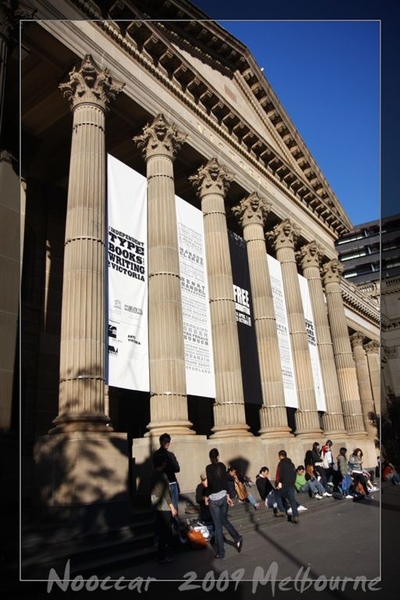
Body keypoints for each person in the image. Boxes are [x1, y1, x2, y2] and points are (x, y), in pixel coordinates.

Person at [204, 448, 243, 559]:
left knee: (218, 526)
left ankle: (221, 552)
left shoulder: (208, 468)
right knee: (224, 520)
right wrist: (228, 496)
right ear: (218, 456)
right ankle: (237, 537)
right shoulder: (222, 466)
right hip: (223, 496)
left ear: (210, 458)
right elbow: (225, 482)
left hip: (214, 499)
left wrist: (207, 496)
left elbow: (210, 484)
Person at [150, 453, 178, 564]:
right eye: (165, 462)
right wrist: (172, 506)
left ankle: (161, 554)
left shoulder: (152, 474)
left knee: (160, 529)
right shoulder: (162, 475)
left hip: (155, 504)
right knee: (165, 530)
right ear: (162, 463)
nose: (166, 463)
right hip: (163, 505)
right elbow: (166, 492)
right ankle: (164, 555)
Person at [154, 433, 181, 512]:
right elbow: (157, 469)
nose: (167, 443)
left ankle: (173, 523)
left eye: (168, 441)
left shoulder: (170, 455)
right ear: (161, 442)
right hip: (163, 484)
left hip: (172, 482)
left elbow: (177, 468)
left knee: (174, 508)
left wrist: (167, 467)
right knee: (166, 508)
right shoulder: (157, 455)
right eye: (165, 441)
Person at [274, 450, 299, 523]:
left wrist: (277, 484)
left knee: (277, 494)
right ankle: (296, 516)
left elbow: (278, 475)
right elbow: (294, 474)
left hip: (284, 485)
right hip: (291, 485)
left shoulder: (281, 464)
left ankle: (282, 510)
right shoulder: (291, 464)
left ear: (280, 456)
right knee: (292, 501)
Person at [195, 473, 214, 539]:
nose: (205, 482)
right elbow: (198, 499)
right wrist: (204, 498)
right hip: (205, 509)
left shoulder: (210, 486)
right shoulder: (200, 487)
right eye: (204, 480)